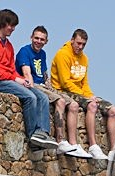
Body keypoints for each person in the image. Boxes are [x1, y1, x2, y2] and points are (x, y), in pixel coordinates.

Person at [0, 9, 57, 151]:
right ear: (4, 23)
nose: (13, 28)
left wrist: (21, 79)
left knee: (42, 97)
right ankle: (33, 136)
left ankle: (43, 133)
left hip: (9, 79)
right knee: (30, 97)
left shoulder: (8, 45)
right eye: (11, 25)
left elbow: (11, 69)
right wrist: (15, 78)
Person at [51, 28, 115, 163]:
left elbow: (84, 82)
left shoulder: (84, 58)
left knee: (114, 110)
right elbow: (65, 82)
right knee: (92, 105)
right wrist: (87, 98)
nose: (80, 47)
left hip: (81, 92)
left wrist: (90, 95)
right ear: (72, 40)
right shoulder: (62, 54)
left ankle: (114, 150)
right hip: (64, 91)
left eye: (83, 44)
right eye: (78, 43)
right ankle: (93, 146)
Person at [15, 26, 91, 158]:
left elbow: (44, 74)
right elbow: (27, 73)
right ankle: (60, 140)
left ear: (46, 41)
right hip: (33, 85)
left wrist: (51, 88)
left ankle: (73, 144)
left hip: (43, 85)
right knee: (60, 101)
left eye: (42, 39)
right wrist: (35, 89)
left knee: (73, 105)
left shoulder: (42, 54)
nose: (38, 41)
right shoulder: (24, 51)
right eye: (36, 38)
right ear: (31, 38)